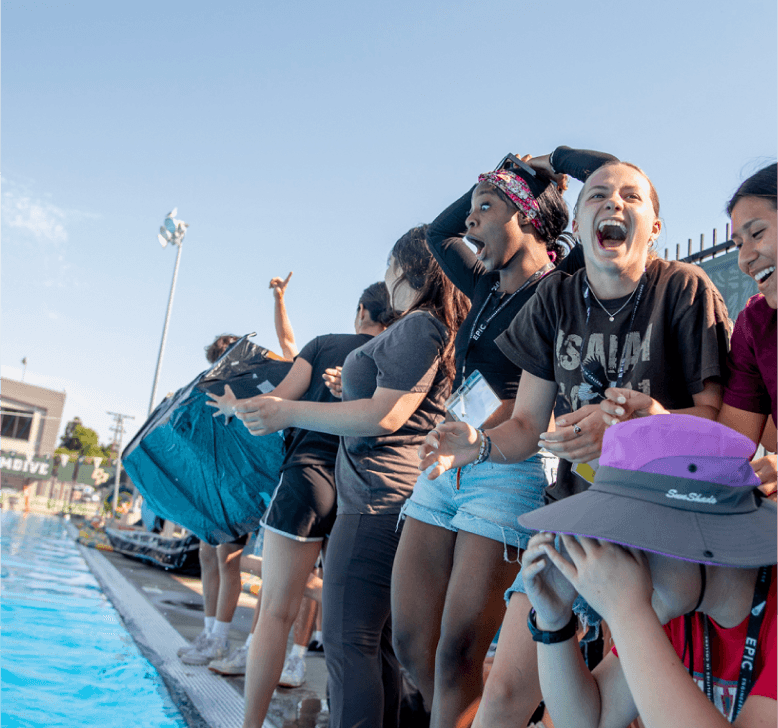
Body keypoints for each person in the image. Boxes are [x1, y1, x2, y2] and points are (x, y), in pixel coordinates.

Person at [420, 152, 731, 726]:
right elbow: (526, 426)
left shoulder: (683, 288)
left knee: (611, 708)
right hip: (571, 514)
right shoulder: (555, 299)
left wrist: (637, 428)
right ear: (580, 223)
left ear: (655, 229)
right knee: (504, 699)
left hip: (660, 523)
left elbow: (715, 423)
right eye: (597, 194)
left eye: (632, 197)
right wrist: (478, 445)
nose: (613, 202)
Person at [231, 225, 469, 728]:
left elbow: (384, 417)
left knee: (346, 641)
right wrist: (349, 387)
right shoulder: (432, 329)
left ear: (408, 270)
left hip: (374, 500)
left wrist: (288, 412)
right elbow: (399, 406)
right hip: (395, 497)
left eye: (388, 269)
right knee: (375, 642)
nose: (384, 281)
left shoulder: (418, 326)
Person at [390, 152, 587, 727]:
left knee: (458, 654)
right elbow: (437, 231)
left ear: (525, 216)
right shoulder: (483, 285)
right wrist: (495, 174)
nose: (469, 223)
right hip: (447, 464)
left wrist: (553, 164)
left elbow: (534, 412)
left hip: (508, 468)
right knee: (409, 641)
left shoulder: (561, 287)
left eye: (485, 209)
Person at [207, 281, 392, 725]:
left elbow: (278, 401)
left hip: (307, 478)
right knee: (352, 625)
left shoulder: (326, 344)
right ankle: (334, 709)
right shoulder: (397, 357)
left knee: (275, 610)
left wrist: (235, 404)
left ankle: (251, 723)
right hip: (364, 488)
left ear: (361, 310)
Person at [517, 414, 777, 728]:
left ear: (699, 534)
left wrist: (628, 612)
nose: (612, 562)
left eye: (629, 542)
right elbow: (590, 721)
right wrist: (554, 623)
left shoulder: (660, 601)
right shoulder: (676, 605)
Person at [717, 163, 777, 498]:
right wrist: (652, 423)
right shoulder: (755, 322)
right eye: (739, 243)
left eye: (757, 234)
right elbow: (727, 453)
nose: (745, 258)